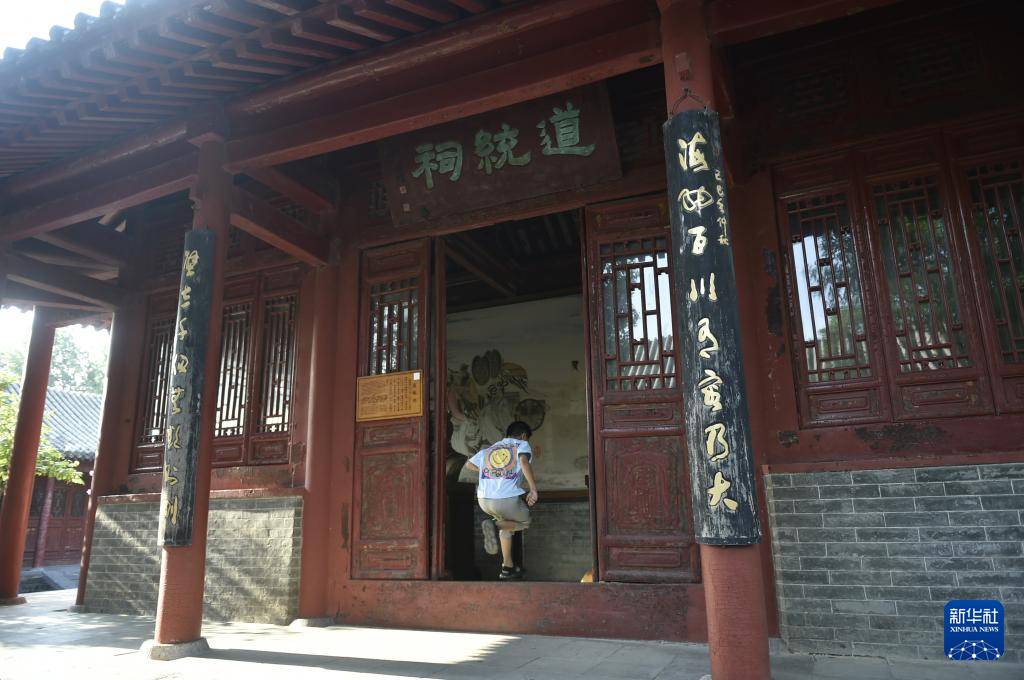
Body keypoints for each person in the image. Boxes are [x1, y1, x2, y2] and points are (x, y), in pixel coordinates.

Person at [464, 421, 538, 580]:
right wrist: (533, 489)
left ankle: (507, 567)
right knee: (525, 521)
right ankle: (494, 525)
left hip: (483, 500)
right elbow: (523, 461)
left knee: (508, 527)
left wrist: (489, 470)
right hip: (505, 499)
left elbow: (468, 464)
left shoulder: (490, 449)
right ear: (524, 435)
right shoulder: (521, 444)